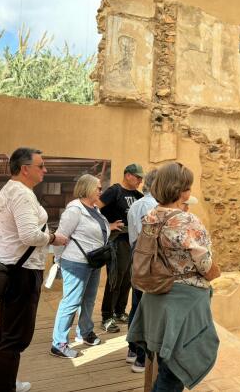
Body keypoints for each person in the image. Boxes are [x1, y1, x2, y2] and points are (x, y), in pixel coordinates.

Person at [127, 162, 220, 392]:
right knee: (173, 372)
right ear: (181, 190)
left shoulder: (151, 215)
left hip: (156, 297)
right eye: (188, 186)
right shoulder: (185, 220)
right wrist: (213, 271)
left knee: (163, 362)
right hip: (183, 302)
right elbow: (204, 262)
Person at [0, 148, 68, 392]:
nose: (45, 170)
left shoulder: (10, 190)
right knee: (15, 336)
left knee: (6, 330)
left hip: (10, 267)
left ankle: (3, 382)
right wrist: (54, 237)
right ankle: (5, 387)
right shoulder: (22, 194)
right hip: (22, 272)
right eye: (41, 165)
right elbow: (29, 235)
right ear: (25, 169)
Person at [50, 174, 120, 359]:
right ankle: (59, 344)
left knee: (88, 300)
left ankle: (85, 332)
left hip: (93, 261)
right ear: (87, 188)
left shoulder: (94, 208)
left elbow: (97, 230)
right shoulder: (74, 210)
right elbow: (59, 238)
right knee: (71, 302)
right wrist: (60, 261)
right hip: (75, 263)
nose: (101, 190)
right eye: (98, 187)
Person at [98, 163, 143, 332]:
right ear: (127, 175)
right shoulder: (114, 191)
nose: (140, 180)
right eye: (137, 177)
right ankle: (106, 316)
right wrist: (107, 225)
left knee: (128, 279)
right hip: (117, 241)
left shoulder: (138, 196)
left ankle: (119, 311)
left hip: (131, 241)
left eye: (141, 178)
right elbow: (95, 208)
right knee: (115, 278)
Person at [125, 168, 158, 373]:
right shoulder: (154, 206)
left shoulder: (136, 204)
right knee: (146, 307)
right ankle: (140, 357)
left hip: (135, 256)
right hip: (147, 260)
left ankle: (132, 349)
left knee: (137, 303)